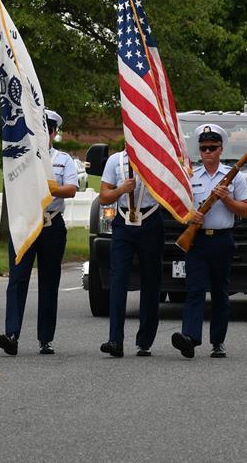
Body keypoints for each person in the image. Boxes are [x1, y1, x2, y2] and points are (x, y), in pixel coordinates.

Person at [0, 110, 79, 356]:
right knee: (17, 278)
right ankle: (12, 334)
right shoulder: (20, 157)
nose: (43, 134)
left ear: (53, 133)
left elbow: (71, 189)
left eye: (48, 130)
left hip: (51, 224)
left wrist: (49, 187)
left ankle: (45, 339)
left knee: (49, 281)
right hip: (25, 222)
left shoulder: (63, 159)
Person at [171, 124, 247, 359]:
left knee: (220, 293)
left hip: (222, 240)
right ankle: (190, 338)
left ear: (220, 149)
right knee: (195, 291)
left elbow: (245, 211)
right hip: (196, 241)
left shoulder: (235, 177)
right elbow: (179, 208)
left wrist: (226, 199)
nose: (207, 152)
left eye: (212, 147)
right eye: (203, 148)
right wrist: (188, 216)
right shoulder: (190, 175)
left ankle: (218, 342)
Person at [98, 147, 164, 357]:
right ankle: (115, 340)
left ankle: (145, 340)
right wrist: (121, 190)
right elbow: (104, 196)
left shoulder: (156, 157)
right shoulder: (115, 161)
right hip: (123, 223)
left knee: (151, 281)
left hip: (151, 220)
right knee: (118, 280)